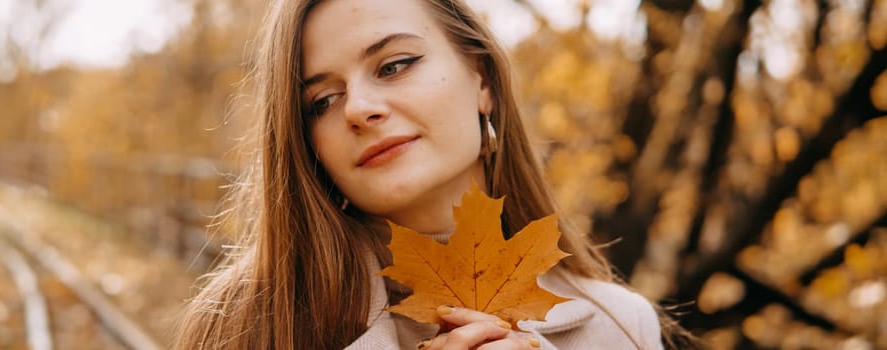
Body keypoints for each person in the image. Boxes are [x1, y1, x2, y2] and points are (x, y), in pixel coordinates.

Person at [175, 0, 689, 348]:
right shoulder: (246, 324)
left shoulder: (622, 326)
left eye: (394, 65)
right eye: (322, 101)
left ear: (481, 79)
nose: (359, 108)